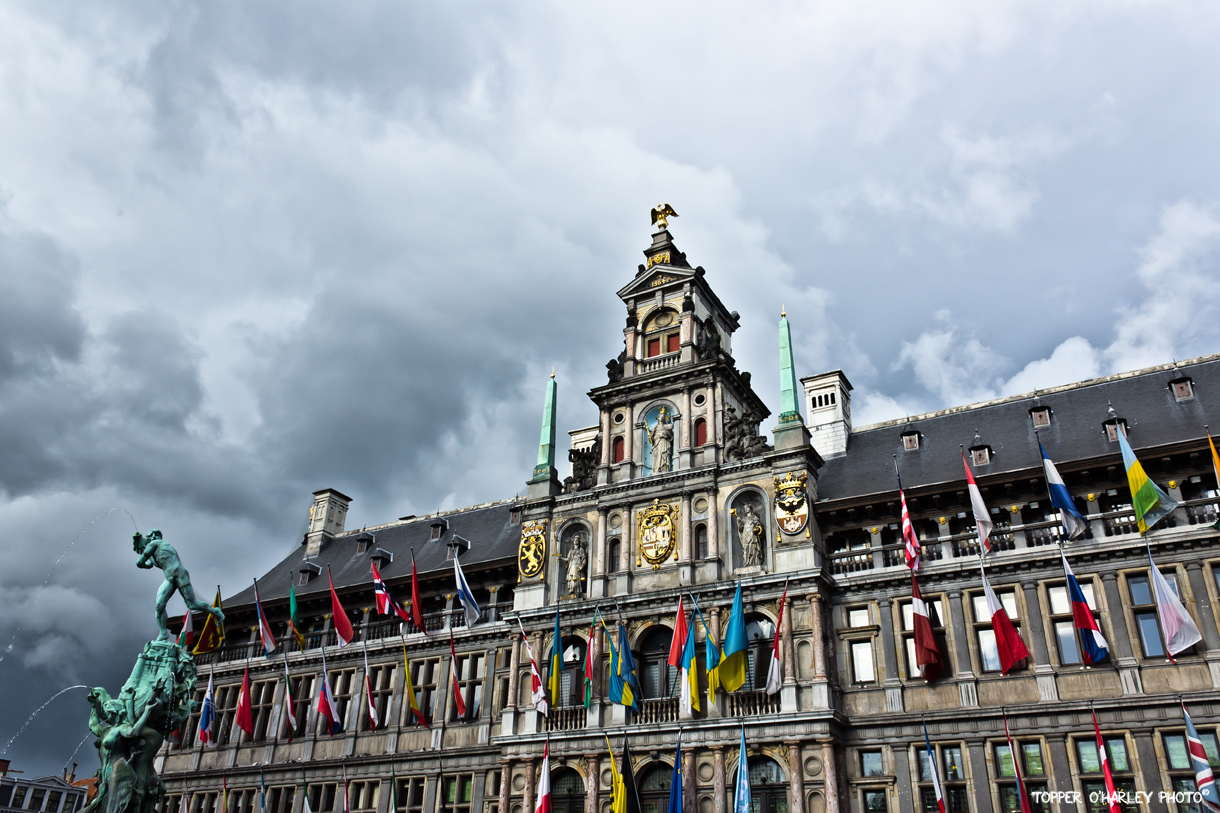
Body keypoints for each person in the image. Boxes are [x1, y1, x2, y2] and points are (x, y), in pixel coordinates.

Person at [133, 530, 225, 640]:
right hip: (169, 577)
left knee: (192, 605)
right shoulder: (157, 549)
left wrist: (145, 565)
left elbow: (139, 562)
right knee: (159, 605)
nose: (150, 539)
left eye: (150, 537)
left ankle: (215, 611)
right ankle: (163, 633)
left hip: (179, 574)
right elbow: (153, 561)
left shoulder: (156, 543)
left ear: (154, 537)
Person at [648, 408, 674, 473]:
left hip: (664, 442)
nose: (662, 418)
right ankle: (657, 469)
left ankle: (665, 468)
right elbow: (652, 439)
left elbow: (671, 436)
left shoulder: (666, 427)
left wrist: (665, 434)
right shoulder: (655, 427)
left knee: (665, 455)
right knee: (656, 456)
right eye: (661, 416)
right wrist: (653, 437)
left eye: (663, 417)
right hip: (657, 444)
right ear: (658, 418)